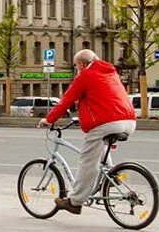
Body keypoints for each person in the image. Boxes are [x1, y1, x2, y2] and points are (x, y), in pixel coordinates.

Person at [39, 49, 137, 214]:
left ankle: (75, 202)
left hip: (107, 123)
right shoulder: (110, 73)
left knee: (87, 160)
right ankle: (114, 176)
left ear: (82, 64)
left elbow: (66, 100)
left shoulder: (85, 75)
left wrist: (49, 120)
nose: (77, 70)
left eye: (77, 66)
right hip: (128, 121)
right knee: (102, 146)